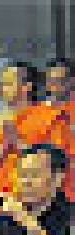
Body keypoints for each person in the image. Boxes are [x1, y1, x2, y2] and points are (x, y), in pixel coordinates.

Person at [0, 62, 68, 198]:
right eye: (1, 84)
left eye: (7, 84)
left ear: (26, 87)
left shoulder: (49, 116)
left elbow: (56, 161)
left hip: (37, 196)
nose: (1, 89)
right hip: (3, 194)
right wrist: (4, 144)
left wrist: (17, 142)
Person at [43, 58, 73, 199]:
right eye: (50, 81)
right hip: (47, 187)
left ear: (71, 81)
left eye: (59, 81)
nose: (53, 86)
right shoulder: (37, 112)